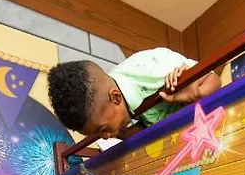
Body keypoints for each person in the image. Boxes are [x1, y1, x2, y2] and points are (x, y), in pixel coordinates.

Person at [48, 47, 221, 139]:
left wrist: (197, 93)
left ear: (115, 97)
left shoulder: (156, 71)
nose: (106, 137)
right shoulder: (112, 101)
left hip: (215, 126)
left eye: (103, 130)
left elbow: (214, 80)